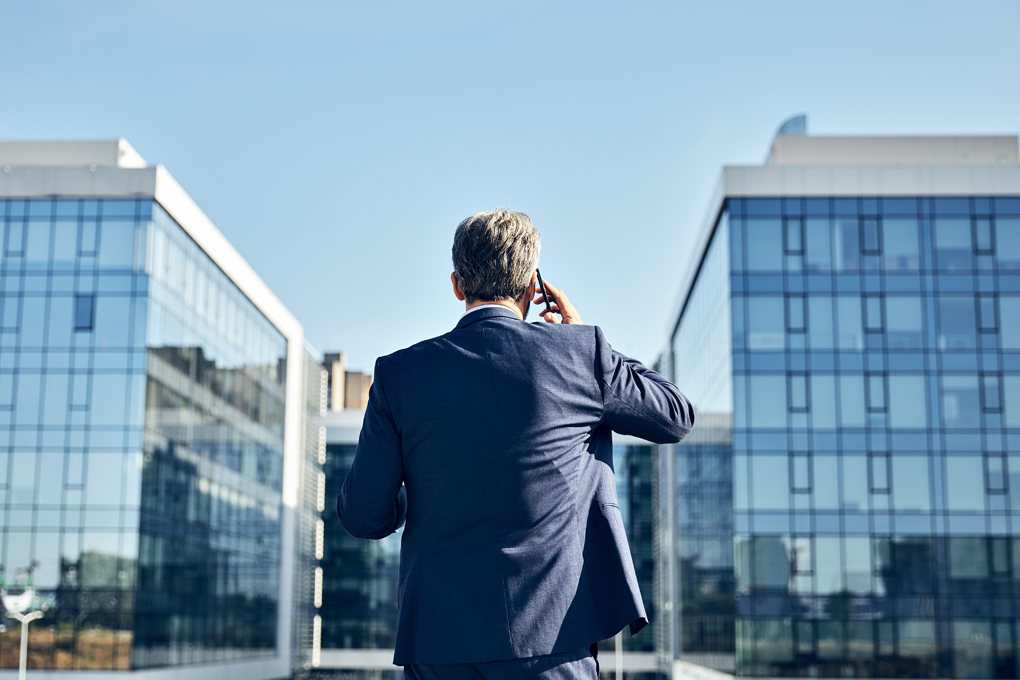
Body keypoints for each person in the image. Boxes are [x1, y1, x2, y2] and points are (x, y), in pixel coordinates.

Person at [337, 208, 694, 679]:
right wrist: (588, 339)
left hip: (440, 647)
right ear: (532, 285)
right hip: (555, 640)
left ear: (457, 285)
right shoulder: (580, 355)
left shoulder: (399, 374)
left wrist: (417, 490)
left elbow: (364, 516)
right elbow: (675, 415)